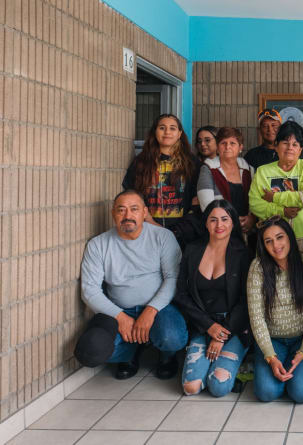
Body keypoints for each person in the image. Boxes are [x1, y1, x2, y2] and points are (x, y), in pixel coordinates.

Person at [74, 190, 187, 380]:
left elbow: (173, 278)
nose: (128, 216)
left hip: (159, 308)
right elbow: (89, 291)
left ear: (144, 212)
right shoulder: (98, 245)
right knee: (91, 351)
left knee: (172, 337)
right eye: (121, 210)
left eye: (134, 209)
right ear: (113, 214)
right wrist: (120, 317)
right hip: (119, 310)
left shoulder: (163, 237)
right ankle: (130, 353)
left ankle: (167, 356)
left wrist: (150, 311)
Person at [174, 200, 251, 397]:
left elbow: (246, 300)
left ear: (233, 223)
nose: (219, 225)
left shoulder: (243, 254)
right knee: (191, 388)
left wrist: (222, 334)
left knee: (218, 387)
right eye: (213, 220)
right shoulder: (192, 250)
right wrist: (209, 326)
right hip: (202, 324)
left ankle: (231, 364)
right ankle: (213, 365)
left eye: (225, 219)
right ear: (206, 223)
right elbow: (181, 294)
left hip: (233, 327)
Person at [247, 217, 303, 402]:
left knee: (301, 392)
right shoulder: (258, 268)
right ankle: (281, 368)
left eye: (280, 237)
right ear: (263, 245)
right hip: (273, 341)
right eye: (268, 241)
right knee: (266, 393)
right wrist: (271, 357)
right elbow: (256, 317)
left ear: (289, 237)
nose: (276, 245)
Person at [122, 114, 201, 247]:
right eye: (162, 128)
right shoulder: (141, 162)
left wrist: (179, 229)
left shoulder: (191, 163)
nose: (167, 132)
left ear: (179, 133)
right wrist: (149, 220)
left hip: (183, 232)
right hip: (147, 228)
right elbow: (132, 194)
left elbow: (197, 199)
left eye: (172, 128)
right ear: (155, 132)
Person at [249, 121, 303, 243]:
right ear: (276, 146)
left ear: (300, 149)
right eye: (285, 143)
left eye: (295, 144)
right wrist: (282, 211)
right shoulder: (263, 171)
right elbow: (255, 204)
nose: (290, 148)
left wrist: (275, 197)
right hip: (272, 240)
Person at [197, 127, 256, 236]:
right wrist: (230, 222)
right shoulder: (208, 169)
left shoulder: (249, 170)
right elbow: (207, 206)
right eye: (223, 143)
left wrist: (251, 219)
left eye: (232, 143)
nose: (228, 147)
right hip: (219, 231)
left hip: (246, 232)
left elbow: (257, 200)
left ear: (240, 147)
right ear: (218, 148)